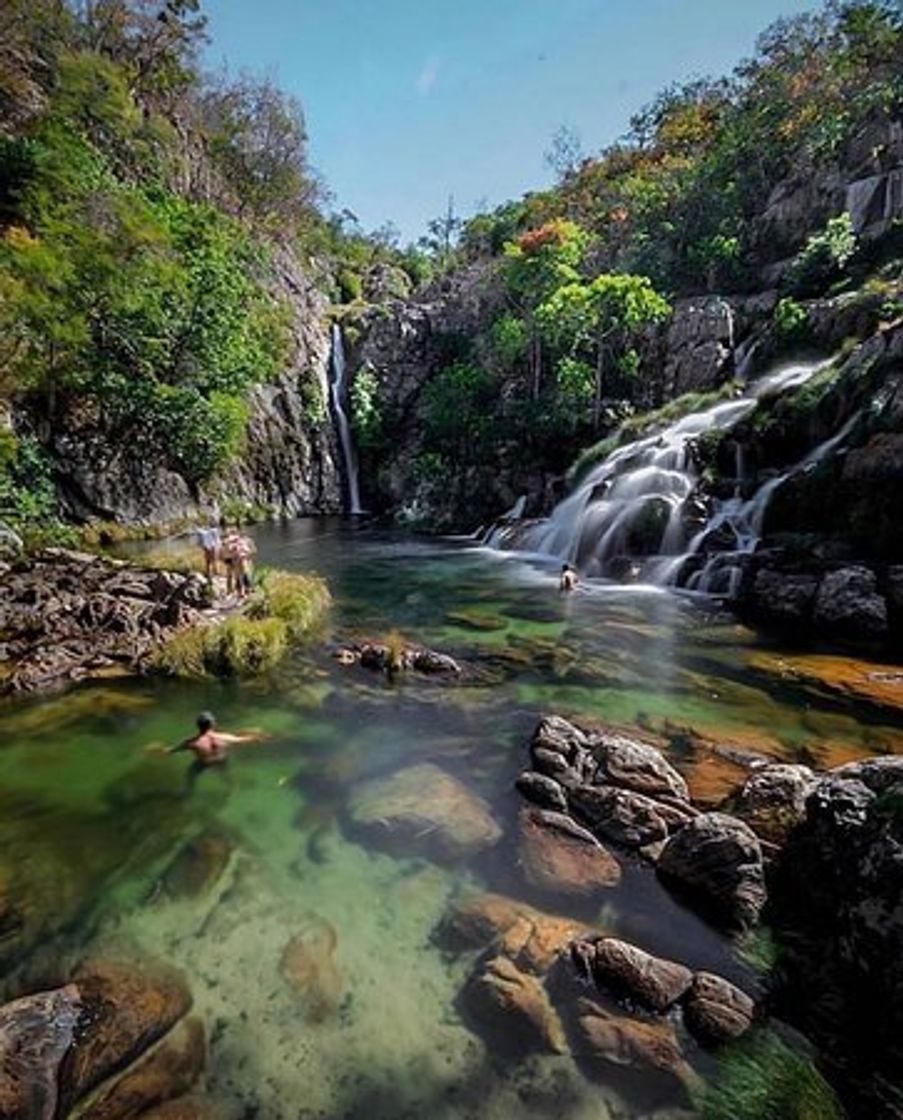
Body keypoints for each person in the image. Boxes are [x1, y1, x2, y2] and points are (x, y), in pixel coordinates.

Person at [168, 711, 264, 793]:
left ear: (198, 725)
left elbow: (174, 750)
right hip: (221, 760)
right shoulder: (224, 737)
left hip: (204, 762)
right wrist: (256, 737)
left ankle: (188, 792)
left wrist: (164, 750)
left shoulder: (192, 742)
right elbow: (241, 740)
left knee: (190, 775)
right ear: (213, 724)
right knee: (226, 776)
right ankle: (233, 789)